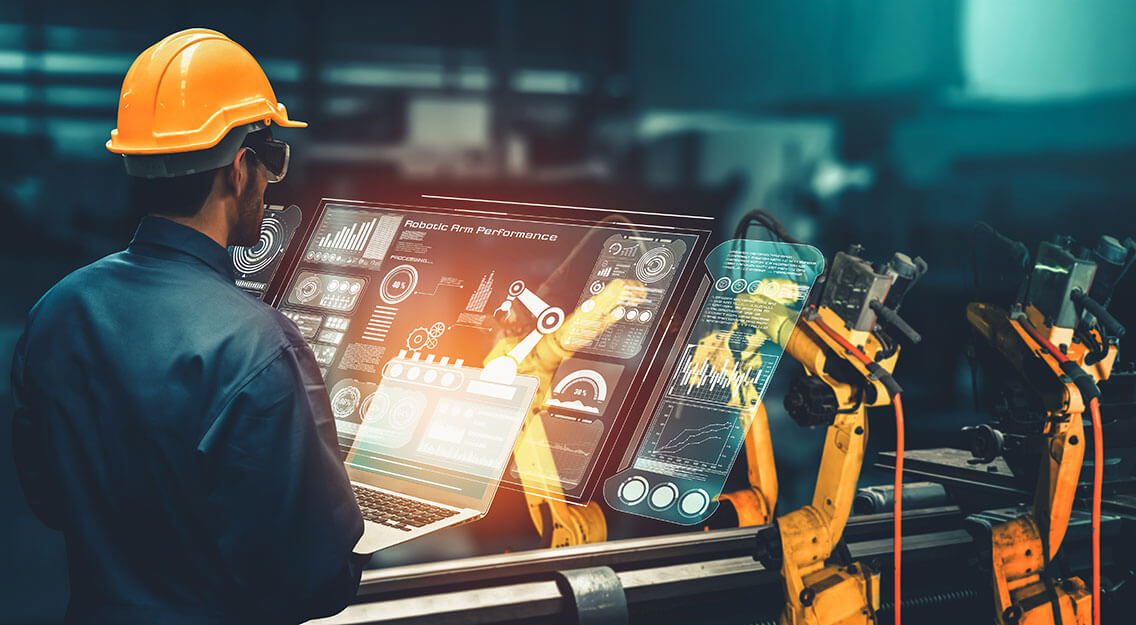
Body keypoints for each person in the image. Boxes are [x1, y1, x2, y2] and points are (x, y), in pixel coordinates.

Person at [10, 29, 367, 624]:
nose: (269, 181)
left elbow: (48, 497)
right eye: (271, 159)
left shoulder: (58, 308)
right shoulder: (258, 346)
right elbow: (312, 582)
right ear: (239, 168)